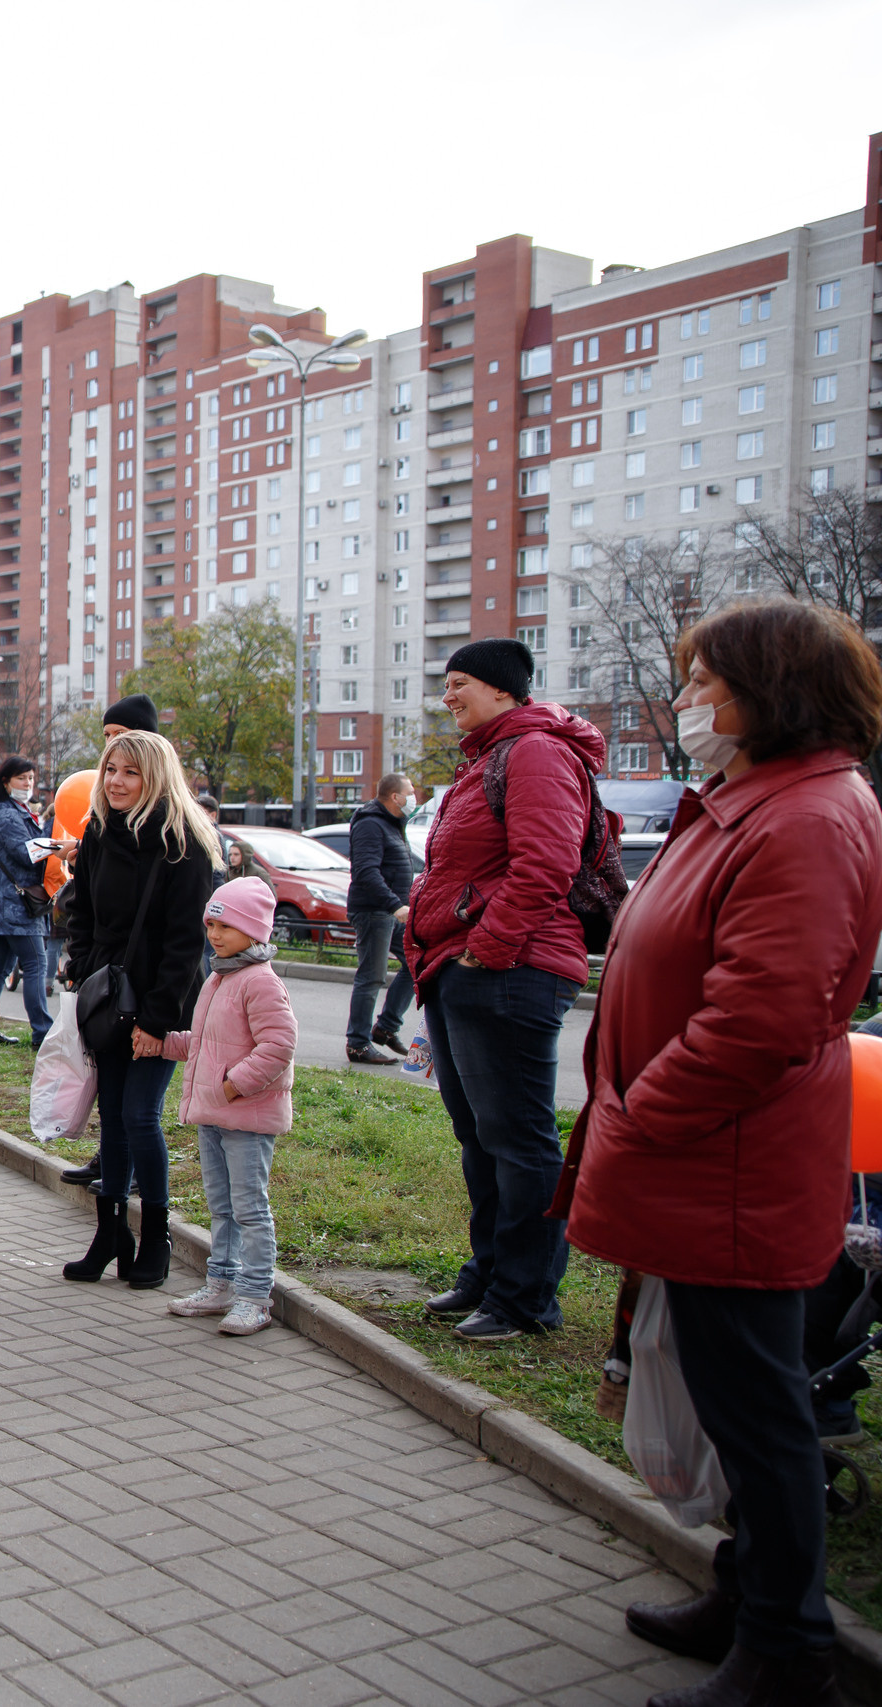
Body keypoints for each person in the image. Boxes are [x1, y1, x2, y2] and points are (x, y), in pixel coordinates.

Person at [566, 600, 882, 1707]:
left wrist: (641, 1113)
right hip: (705, 1161)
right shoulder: (757, 801)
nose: (690, 698)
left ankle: (788, 1649)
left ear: (771, 690)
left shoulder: (804, 815)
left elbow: (762, 1016)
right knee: (731, 1400)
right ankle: (745, 1594)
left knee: (757, 1412)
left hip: (723, 1166)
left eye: (706, 680)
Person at [404, 637, 604, 1342]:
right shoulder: (486, 758)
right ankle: (489, 1274)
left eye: (458, 682)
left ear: (501, 688)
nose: (448, 695)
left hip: (511, 971)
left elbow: (545, 865)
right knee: (479, 1137)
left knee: (518, 1141)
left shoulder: (537, 752)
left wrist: (485, 951)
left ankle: (525, 1298)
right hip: (463, 970)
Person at [58, 729, 221, 1290]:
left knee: (139, 1116)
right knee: (113, 1120)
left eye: (130, 772)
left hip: (161, 1001)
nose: (117, 782)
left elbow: (185, 944)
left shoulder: (184, 843)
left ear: (156, 777)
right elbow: (80, 909)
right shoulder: (100, 831)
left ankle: (156, 1235)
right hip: (107, 996)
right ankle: (110, 1235)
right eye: (110, 770)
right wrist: (80, 966)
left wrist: (156, 1021)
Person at [159, 876, 296, 1337]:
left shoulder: (259, 981)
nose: (214, 935)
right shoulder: (219, 977)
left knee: (250, 1209)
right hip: (215, 1115)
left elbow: (278, 1046)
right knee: (221, 1206)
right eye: (210, 925)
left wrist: (234, 1085)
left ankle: (255, 1296)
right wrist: (164, 1045)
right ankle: (220, 1283)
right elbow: (207, 1044)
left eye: (226, 926)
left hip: (246, 1117)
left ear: (255, 930)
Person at [0, 754, 53, 1047]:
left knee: (0, 966)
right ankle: (42, 1033)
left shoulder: (11, 810)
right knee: (34, 964)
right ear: (5, 781)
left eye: (31, 778)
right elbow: (27, 852)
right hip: (15, 904)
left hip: (6, 903)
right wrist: (61, 845)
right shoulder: (6, 815)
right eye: (22, 778)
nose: (28, 784)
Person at [344, 772, 419, 1064]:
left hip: (392, 911)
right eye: (410, 791)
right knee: (371, 976)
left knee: (415, 963)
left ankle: (386, 1027)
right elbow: (365, 872)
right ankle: (358, 1044)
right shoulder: (371, 824)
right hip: (376, 911)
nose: (415, 797)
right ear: (395, 797)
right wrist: (394, 905)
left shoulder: (392, 824)